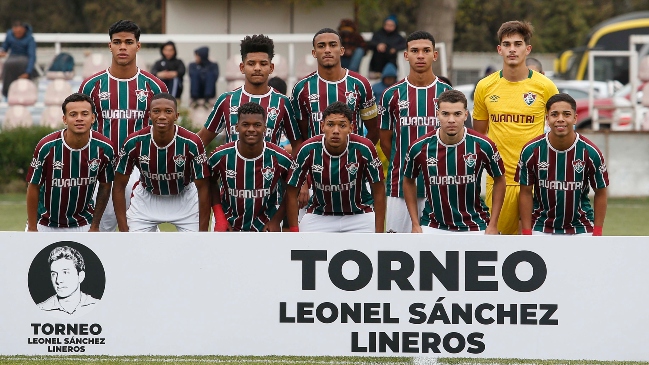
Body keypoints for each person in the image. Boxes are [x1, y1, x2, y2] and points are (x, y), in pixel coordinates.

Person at [79, 19, 168, 232]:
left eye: (128, 42)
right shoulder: (91, 85)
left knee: (142, 234)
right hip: (102, 169)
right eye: (117, 42)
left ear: (138, 46)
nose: (122, 47)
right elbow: (80, 128)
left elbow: (164, 130)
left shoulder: (155, 86)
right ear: (109, 45)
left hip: (140, 170)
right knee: (98, 234)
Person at [472, 20, 558, 235]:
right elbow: (478, 136)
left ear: (527, 49)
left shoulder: (545, 86)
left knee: (534, 243)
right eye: (507, 44)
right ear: (499, 49)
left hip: (535, 180)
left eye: (518, 44)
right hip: (498, 179)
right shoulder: (485, 86)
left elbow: (558, 130)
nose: (512, 49)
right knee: (497, 242)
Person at [379, 31, 452, 233]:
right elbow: (386, 141)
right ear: (406, 55)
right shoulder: (391, 94)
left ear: (434, 55)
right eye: (415, 51)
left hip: (439, 185)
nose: (420, 55)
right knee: (397, 249)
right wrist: (404, 164)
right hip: (400, 185)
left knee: (436, 250)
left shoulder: (446, 93)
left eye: (426, 51)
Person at [403, 90, 505, 234]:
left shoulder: (483, 145)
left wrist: (493, 224)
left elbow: (500, 179)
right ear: (437, 114)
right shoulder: (419, 147)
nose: (451, 120)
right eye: (445, 114)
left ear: (465, 115)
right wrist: (415, 223)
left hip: (475, 224)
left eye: (457, 114)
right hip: (433, 225)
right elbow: (408, 181)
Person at [113, 93, 210, 232]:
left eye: (168, 111)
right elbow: (118, 185)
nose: (162, 116)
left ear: (177, 115)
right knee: (135, 250)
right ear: (149, 115)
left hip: (184, 198)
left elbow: (203, 187)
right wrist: (123, 230)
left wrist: (203, 233)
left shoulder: (192, 143)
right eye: (156, 111)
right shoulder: (134, 142)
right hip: (147, 199)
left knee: (193, 250)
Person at [516, 93, 609, 235]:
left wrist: (597, 231)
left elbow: (601, 192)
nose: (560, 119)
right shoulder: (531, 151)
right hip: (541, 225)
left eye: (566, 114)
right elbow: (526, 192)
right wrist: (527, 231)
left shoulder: (591, 153)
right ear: (547, 119)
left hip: (581, 225)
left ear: (575, 118)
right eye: (554, 114)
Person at [286, 102, 386, 233]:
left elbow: (379, 190)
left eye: (342, 125)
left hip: (360, 214)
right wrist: (294, 231)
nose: (336, 131)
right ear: (322, 126)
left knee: (372, 250)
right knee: (303, 247)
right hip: (319, 215)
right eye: (330, 124)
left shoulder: (364, 148)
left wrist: (379, 234)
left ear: (351, 128)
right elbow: (291, 192)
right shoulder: (307, 149)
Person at [197, 34, 302, 153]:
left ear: (271, 67)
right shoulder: (226, 100)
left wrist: (289, 170)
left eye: (263, 64)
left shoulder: (282, 102)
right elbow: (201, 140)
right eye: (251, 63)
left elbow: (297, 145)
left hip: (269, 171)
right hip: (232, 171)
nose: (257, 68)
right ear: (242, 67)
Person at [26, 93, 114, 232]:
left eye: (84, 114)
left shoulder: (105, 148)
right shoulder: (46, 146)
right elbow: (33, 186)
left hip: (83, 222)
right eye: (73, 114)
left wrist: (95, 225)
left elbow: (105, 186)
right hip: (43, 222)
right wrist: (32, 228)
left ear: (93, 118)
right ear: (65, 119)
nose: (79, 118)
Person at [208, 102, 293, 232]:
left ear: (265, 128)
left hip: (266, 225)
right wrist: (220, 217)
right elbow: (210, 182)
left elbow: (293, 188)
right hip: (228, 224)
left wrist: (276, 220)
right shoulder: (220, 156)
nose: (251, 129)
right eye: (246, 125)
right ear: (236, 127)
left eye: (257, 125)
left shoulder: (280, 158)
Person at [291, 28, 379, 144]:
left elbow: (374, 130)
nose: (327, 50)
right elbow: (302, 135)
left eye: (333, 45)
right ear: (314, 53)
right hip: (317, 161)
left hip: (352, 161)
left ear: (342, 50)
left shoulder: (360, 84)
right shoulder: (301, 88)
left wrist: (358, 154)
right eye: (321, 46)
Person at [38, 246, 99, 315]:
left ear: (81, 276)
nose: (58, 280)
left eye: (65, 272)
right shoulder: (41, 309)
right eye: (54, 274)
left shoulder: (97, 306)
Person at [0, 21, 36, 98]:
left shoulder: (30, 39)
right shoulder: (9, 35)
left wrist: (28, 72)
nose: (17, 34)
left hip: (24, 58)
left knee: (20, 64)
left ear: (24, 30)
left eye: (19, 32)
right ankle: (7, 93)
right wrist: (2, 51)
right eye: (15, 32)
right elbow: (4, 47)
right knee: (7, 64)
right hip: (12, 57)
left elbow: (32, 56)